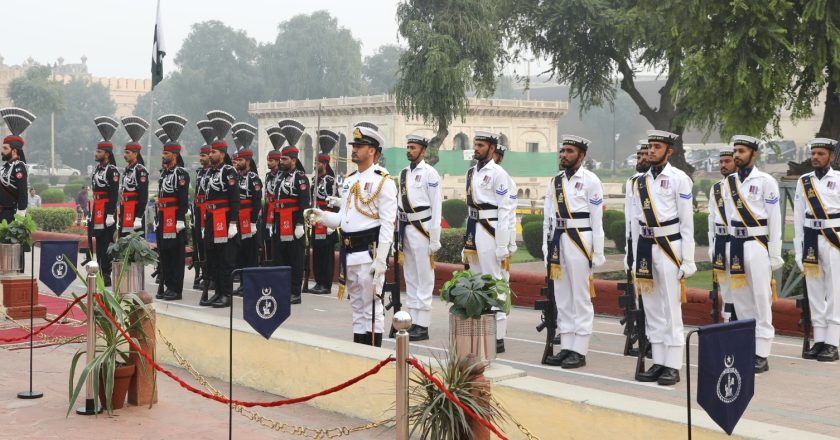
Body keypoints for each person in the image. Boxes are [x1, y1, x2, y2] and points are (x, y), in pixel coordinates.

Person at [306, 122, 397, 346]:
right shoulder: (349, 180)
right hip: (349, 252)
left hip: (369, 253)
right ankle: (359, 354)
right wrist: (323, 216)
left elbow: (388, 223)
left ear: (372, 151)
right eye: (354, 145)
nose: (354, 149)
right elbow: (345, 219)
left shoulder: (383, 181)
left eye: (360, 145)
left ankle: (372, 358)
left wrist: (381, 259)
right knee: (357, 309)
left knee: (372, 309)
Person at [631, 130, 695, 386]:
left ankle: (673, 365)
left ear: (669, 151)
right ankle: (658, 360)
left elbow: (687, 221)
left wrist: (688, 259)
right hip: (646, 246)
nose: (652, 151)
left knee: (670, 306)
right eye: (650, 146)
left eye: (657, 147)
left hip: (669, 245)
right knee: (652, 307)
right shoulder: (639, 182)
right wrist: (632, 256)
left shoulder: (679, 179)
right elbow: (635, 220)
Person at [540, 135, 605, 369]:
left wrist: (597, 250)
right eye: (562, 151)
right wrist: (546, 246)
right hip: (559, 239)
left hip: (580, 239)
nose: (563, 155)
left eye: (569, 151)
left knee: (580, 296)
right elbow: (548, 217)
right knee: (562, 296)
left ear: (581, 155)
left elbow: (597, 219)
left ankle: (579, 350)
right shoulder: (555, 181)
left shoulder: (591, 181)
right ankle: (566, 345)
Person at [723, 135, 781, 373]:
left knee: (760, 297)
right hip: (735, 243)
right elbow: (727, 217)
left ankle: (762, 352)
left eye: (742, 151)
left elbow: (775, 219)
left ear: (753, 154)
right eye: (735, 150)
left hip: (757, 243)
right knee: (741, 299)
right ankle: (748, 347)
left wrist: (774, 253)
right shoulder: (729, 182)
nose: (737, 154)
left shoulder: (766, 181)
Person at [461, 131, 514, 353]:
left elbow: (506, 209)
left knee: (495, 281)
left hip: (491, 229)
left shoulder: (499, 173)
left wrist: (503, 243)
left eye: (481, 145)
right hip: (474, 228)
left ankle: (498, 335)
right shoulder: (472, 171)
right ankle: (481, 328)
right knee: (476, 280)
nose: (477, 148)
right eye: (475, 144)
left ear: (492, 149)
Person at [794, 138, 840, 362]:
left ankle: (833, 342)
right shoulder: (804, 181)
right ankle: (819, 339)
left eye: (821, 154)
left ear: (831, 157)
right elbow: (798, 217)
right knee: (814, 292)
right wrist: (798, 248)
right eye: (813, 153)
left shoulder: (839, 179)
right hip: (811, 239)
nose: (815, 157)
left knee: (834, 293)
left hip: (834, 240)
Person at [398, 134, 442, 341]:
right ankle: (411, 320)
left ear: (423, 151)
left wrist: (435, 238)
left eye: (413, 148)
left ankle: (423, 324)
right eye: (408, 147)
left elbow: (436, 206)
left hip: (422, 228)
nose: (409, 150)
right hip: (406, 229)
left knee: (424, 276)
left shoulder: (430, 174)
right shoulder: (403, 173)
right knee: (411, 276)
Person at [202, 110, 239, 308]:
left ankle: (226, 294)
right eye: (209, 152)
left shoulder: (229, 172)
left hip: (224, 219)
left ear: (222, 154)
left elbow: (235, 199)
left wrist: (233, 222)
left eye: (213, 152)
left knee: (226, 259)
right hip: (211, 218)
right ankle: (218, 292)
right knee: (214, 258)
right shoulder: (210, 173)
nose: (210, 155)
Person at [273, 120, 311, 305]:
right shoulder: (279, 176)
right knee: (280, 258)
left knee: (295, 259)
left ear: (294, 160)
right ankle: (282, 289)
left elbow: (305, 202)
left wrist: (299, 224)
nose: (281, 162)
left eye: (284, 159)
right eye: (281, 159)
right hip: (280, 222)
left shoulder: (301, 178)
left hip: (294, 223)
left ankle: (295, 292)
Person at [154, 114, 190, 301]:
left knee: (176, 256)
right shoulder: (164, 174)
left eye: (166, 153)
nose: (163, 156)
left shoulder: (181, 174)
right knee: (165, 253)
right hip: (163, 217)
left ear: (174, 155)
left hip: (174, 218)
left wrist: (179, 220)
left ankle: (176, 289)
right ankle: (168, 285)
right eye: (163, 153)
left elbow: (183, 199)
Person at [0, 107, 34, 273]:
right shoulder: (4, 167)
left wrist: (21, 214)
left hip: (14, 213)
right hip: (2, 214)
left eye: (5, 148)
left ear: (14, 150)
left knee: (15, 247)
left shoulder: (19, 167)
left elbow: (22, 192)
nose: (2, 151)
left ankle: (18, 275)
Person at [231, 123, 262, 296]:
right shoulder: (235, 177)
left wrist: (252, 223)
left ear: (248, 162)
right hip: (238, 219)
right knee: (240, 254)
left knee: (250, 255)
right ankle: (243, 283)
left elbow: (257, 202)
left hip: (248, 220)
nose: (237, 163)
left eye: (240, 160)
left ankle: (250, 285)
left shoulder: (253, 178)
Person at [90, 117, 121, 286]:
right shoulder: (97, 169)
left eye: (99, 152)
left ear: (107, 154)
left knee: (107, 243)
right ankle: (99, 269)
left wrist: (110, 214)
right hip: (97, 208)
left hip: (106, 211)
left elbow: (114, 193)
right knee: (98, 242)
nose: (96, 154)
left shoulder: (112, 171)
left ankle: (106, 273)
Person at [707, 145, 737, 321]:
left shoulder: (741, 186)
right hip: (720, 241)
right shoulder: (716, 188)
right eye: (721, 162)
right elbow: (711, 219)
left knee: (739, 287)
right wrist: (711, 246)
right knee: (725, 288)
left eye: (728, 161)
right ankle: (727, 323)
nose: (723, 165)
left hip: (737, 241)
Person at [311, 129, 340, 295]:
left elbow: (336, 202)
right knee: (317, 254)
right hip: (317, 220)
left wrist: (331, 222)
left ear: (325, 164)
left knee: (326, 256)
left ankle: (326, 284)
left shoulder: (330, 181)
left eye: (318, 163)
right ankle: (318, 281)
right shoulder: (315, 180)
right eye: (315, 162)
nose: (316, 165)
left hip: (327, 220)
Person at [119, 116, 150, 237]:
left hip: (135, 212)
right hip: (125, 209)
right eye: (125, 152)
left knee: (135, 244)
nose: (124, 155)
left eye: (128, 153)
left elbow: (143, 196)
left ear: (135, 154)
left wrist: (138, 217)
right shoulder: (127, 170)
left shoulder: (140, 171)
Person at [193, 120, 215, 294]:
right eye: (200, 156)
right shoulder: (200, 172)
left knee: (209, 247)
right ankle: (204, 274)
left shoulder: (214, 173)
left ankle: (211, 276)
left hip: (209, 213)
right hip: (198, 212)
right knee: (200, 246)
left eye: (204, 155)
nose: (201, 159)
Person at [262, 127, 286, 267]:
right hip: (268, 209)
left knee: (276, 240)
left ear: (277, 161)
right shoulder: (267, 175)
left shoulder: (282, 175)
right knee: (267, 239)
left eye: (271, 161)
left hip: (277, 210)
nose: (268, 163)